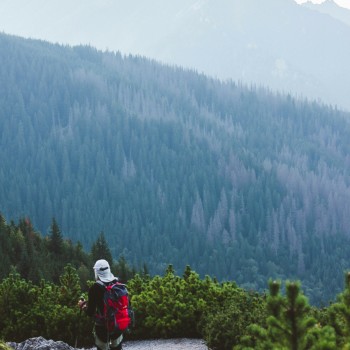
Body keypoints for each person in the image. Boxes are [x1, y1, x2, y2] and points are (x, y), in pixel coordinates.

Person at [78, 259, 124, 350]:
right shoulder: (117, 283)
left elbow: (90, 312)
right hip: (117, 325)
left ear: (97, 272)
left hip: (102, 327)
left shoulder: (95, 288)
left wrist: (83, 306)